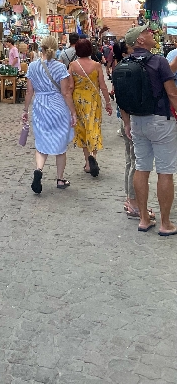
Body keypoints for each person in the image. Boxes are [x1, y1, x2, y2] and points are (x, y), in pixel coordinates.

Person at [116, 25, 177, 235]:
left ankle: (143, 219)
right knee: (165, 171)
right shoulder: (159, 61)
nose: (151, 34)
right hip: (160, 121)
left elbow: (121, 99)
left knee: (141, 167)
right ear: (140, 40)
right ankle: (165, 223)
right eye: (147, 33)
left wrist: (126, 123)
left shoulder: (123, 63)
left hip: (136, 122)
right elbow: (172, 94)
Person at [22, 35, 77, 194]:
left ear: (41, 48)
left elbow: (29, 91)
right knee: (61, 145)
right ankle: (60, 179)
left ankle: (39, 170)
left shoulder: (32, 66)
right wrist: (73, 112)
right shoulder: (60, 68)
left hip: (40, 106)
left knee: (41, 142)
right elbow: (66, 93)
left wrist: (25, 110)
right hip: (57, 106)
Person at [69, 39, 112, 177]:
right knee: (94, 127)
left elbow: (70, 87)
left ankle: (88, 163)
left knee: (82, 130)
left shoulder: (73, 65)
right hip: (93, 100)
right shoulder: (97, 65)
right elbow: (103, 86)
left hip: (78, 100)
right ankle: (93, 155)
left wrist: (68, 105)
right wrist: (108, 103)